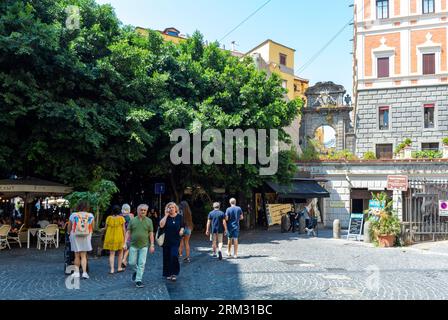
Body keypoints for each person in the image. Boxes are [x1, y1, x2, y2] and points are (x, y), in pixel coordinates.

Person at [125, 204, 155, 288]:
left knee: (142, 263)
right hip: (133, 245)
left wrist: (152, 245)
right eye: (141, 210)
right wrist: (125, 242)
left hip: (144, 245)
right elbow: (128, 232)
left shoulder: (149, 221)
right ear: (138, 211)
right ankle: (136, 271)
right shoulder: (133, 220)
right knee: (131, 262)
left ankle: (138, 280)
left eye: (144, 210)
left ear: (146, 211)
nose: (143, 211)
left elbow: (151, 233)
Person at [68, 202, 94, 279]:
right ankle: (85, 273)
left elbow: (69, 227)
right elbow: (92, 227)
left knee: (76, 255)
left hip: (75, 235)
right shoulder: (90, 215)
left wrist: (69, 233)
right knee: (83, 255)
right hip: (86, 236)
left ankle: (76, 272)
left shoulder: (73, 215)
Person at [160, 202, 185, 282]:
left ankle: (174, 273)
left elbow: (182, 226)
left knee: (174, 256)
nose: (171, 209)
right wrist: (166, 215)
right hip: (166, 240)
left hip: (176, 240)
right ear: (167, 209)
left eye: (172, 207)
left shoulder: (179, 217)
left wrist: (181, 230)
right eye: (169, 207)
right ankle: (168, 273)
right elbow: (161, 225)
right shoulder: (165, 217)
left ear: (175, 208)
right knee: (167, 257)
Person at [103, 205, 126, 274]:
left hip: (110, 237)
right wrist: (125, 238)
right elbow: (123, 229)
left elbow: (105, 228)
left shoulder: (109, 218)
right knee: (120, 253)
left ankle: (112, 269)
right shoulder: (121, 218)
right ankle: (119, 268)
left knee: (111, 253)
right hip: (119, 237)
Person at [120, 204, 134, 269]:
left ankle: (122, 261)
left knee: (122, 247)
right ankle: (124, 259)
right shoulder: (131, 216)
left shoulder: (120, 216)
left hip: (120, 233)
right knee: (128, 247)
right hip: (128, 233)